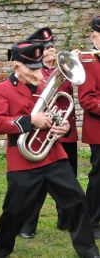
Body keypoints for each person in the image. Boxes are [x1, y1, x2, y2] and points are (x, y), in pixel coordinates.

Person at [0, 40, 100, 258]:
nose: (37, 72)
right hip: (22, 159)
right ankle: (0, 252)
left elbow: (60, 115)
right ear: (17, 67)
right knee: (14, 211)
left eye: (38, 67)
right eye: (31, 69)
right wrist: (30, 120)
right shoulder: (2, 89)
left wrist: (64, 126)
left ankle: (89, 252)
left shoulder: (44, 87)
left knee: (77, 201)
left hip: (53, 156)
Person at [19, 27, 79, 239]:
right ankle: (28, 225)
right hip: (44, 134)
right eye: (47, 47)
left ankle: (66, 220)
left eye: (53, 46)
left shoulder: (65, 70)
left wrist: (72, 62)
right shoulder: (37, 74)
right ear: (39, 52)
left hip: (65, 133)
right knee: (39, 184)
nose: (52, 50)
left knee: (70, 179)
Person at [78, 15, 100, 239]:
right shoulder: (88, 61)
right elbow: (87, 100)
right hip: (98, 131)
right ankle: (91, 221)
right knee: (98, 178)